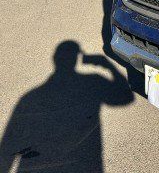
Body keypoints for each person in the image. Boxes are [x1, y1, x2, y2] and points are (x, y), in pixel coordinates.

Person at [0, 41, 133, 172]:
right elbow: (126, 98)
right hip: (83, 165)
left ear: (55, 59)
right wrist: (108, 66)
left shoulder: (28, 98)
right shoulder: (93, 80)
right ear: (76, 59)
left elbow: (8, 143)